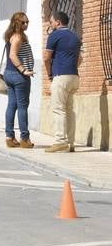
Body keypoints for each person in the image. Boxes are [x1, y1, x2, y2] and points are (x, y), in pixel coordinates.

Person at [43, 11, 82, 153]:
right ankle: (70, 143)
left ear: (58, 22)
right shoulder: (75, 37)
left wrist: (50, 74)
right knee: (70, 110)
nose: (50, 24)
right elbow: (80, 59)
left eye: (52, 21)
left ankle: (60, 142)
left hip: (61, 76)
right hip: (74, 77)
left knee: (58, 109)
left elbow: (47, 57)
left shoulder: (55, 35)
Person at [3, 12, 35, 148]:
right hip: (18, 76)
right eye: (23, 22)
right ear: (16, 23)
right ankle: (25, 138)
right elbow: (12, 55)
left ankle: (9, 137)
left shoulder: (11, 36)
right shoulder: (17, 37)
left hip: (9, 74)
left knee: (12, 105)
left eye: (27, 22)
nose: (26, 24)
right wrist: (23, 70)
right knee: (22, 107)